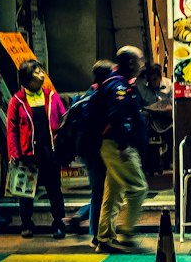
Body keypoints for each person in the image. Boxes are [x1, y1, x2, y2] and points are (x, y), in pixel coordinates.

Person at [88, 46, 149, 251]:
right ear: (131, 63)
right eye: (140, 60)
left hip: (111, 145)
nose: (142, 64)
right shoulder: (118, 86)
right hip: (117, 146)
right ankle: (126, 233)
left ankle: (104, 238)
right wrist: (123, 145)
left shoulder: (115, 82)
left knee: (113, 193)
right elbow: (117, 116)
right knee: (138, 188)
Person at [6, 58, 67, 239]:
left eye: (41, 70)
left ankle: (58, 223)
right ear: (27, 79)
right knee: (26, 193)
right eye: (37, 71)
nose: (42, 74)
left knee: (54, 189)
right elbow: (12, 129)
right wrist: (14, 153)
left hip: (50, 153)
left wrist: (63, 146)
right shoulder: (16, 101)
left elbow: (63, 119)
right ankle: (26, 224)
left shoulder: (51, 96)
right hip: (27, 155)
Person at [63, 59, 114, 242]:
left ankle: (82, 218)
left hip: (88, 150)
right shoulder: (99, 96)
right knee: (101, 192)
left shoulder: (90, 93)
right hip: (97, 151)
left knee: (100, 191)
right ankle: (95, 233)